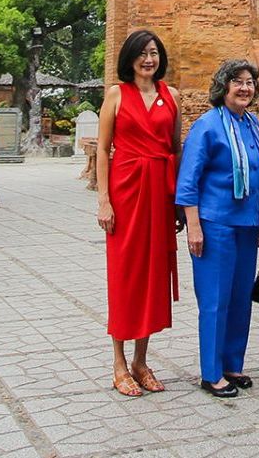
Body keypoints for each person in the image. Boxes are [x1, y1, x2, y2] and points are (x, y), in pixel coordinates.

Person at [176, 57, 259, 398]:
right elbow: (188, 180)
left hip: (246, 225)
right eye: (238, 81)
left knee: (240, 298)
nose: (245, 88)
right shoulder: (208, 125)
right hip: (215, 224)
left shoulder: (251, 124)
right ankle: (211, 372)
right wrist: (194, 226)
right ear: (223, 87)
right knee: (215, 299)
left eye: (250, 82)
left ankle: (232, 363)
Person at [95, 29, 182, 397]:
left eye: (154, 53)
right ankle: (118, 362)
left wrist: (179, 201)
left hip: (159, 193)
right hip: (126, 190)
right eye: (142, 53)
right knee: (125, 274)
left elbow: (176, 150)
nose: (149, 60)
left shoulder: (171, 96)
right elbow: (102, 150)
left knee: (152, 276)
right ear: (129, 58)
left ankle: (141, 360)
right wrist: (104, 199)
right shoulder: (116, 94)